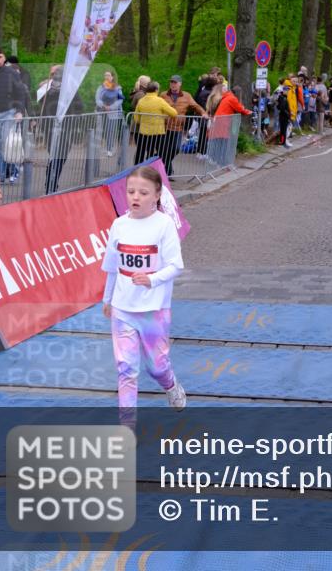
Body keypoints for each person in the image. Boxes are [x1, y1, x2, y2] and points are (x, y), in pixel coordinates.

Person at [101, 165, 186, 419]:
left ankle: (171, 385)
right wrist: (108, 298)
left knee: (156, 367)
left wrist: (151, 279)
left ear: (157, 195)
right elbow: (112, 267)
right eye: (131, 192)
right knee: (126, 368)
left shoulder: (164, 225)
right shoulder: (119, 225)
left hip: (154, 310)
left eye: (143, 192)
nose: (135, 197)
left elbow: (176, 266)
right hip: (122, 308)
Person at [0, 49, 29, 181]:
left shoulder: (12, 73)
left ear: (4, 59)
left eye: (0, 57)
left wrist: (19, 111)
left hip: (9, 113)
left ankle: (13, 172)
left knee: (7, 144)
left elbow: (20, 93)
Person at [39, 67, 86, 193]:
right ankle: (51, 183)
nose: (54, 76)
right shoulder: (46, 88)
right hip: (54, 127)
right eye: (53, 73)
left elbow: (79, 107)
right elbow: (39, 104)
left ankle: (51, 182)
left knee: (57, 156)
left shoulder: (69, 89)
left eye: (55, 74)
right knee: (58, 156)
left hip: (63, 127)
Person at [161, 75, 207, 178]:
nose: (173, 84)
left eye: (175, 82)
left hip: (178, 128)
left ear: (180, 84)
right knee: (165, 150)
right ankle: (167, 172)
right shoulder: (163, 95)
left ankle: (163, 165)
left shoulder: (186, 96)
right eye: (171, 82)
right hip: (164, 127)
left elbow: (195, 106)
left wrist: (203, 113)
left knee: (176, 148)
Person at [133, 82, 177, 173]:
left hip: (143, 133)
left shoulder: (141, 101)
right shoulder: (159, 101)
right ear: (156, 90)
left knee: (140, 153)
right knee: (164, 154)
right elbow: (174, 113)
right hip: (158, 133)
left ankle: (136, 172)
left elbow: (136, 119)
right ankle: (162, 173)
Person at [207, 84, 252, 167]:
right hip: (223, 123)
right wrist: (248, 112)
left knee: (218, 142)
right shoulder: (231, 98)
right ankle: (222, 163)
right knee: (224, 143)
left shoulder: (225, 97)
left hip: (218, 121)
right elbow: (240, 108)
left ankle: (215, 160)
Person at [95, 70, 124, 156]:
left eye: (108, 75)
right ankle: (97, 149)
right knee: (100, 130)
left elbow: (120, 100)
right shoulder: (101, 87)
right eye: (105, 75)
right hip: (101, 112)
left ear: (112, 77)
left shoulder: (117, 88)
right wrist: (103, 105)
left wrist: (110, 107)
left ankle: (109, 149)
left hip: (113, 113)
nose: (106, 77)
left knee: (110, 131)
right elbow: (97, 98)